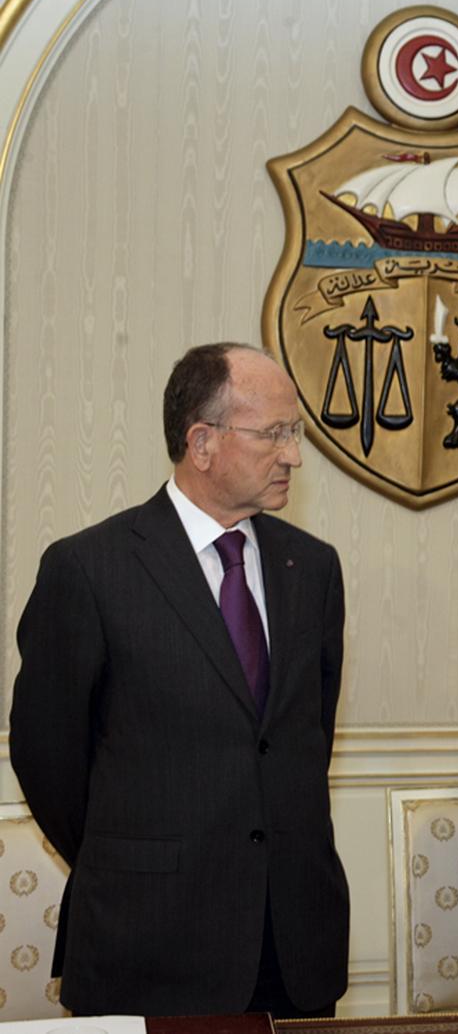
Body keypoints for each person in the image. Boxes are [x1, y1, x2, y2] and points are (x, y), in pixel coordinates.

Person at [10, 343, 349, 1017]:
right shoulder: (90, 569)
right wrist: (137, 856)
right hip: (150, 942)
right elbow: (48, 758)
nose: (294, 455)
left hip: (292, 946)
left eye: (296, 432)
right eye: (274, 434)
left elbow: (306, 734)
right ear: (201, 442)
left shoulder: (311, 568)